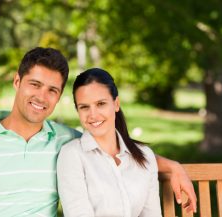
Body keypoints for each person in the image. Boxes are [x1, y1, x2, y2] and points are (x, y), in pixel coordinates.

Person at [0, 47, 196, 217]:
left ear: (58, 98)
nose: (42, 97)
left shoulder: (65, 141)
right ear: (17, 81)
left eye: (52, 90)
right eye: (35, 84)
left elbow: (112, 146)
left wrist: (172, 165)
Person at [57, 68, 161, 216]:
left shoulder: (145, 156)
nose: (93, 115)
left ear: (116, 104)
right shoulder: (72, 155)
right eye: (84, 107)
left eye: (101, 104)